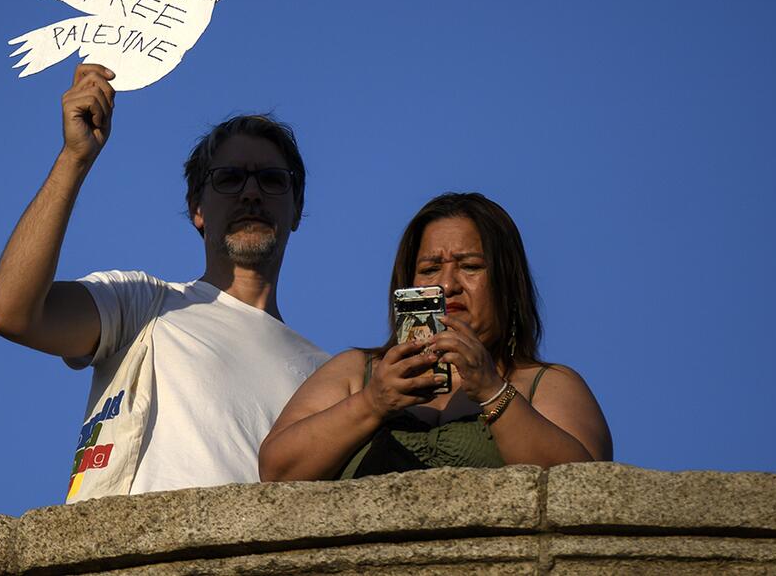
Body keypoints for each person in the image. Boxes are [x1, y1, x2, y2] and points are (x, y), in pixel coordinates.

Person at [0, 62, 327, 500]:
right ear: (197, 209)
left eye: (271, 179)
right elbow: (10, 313)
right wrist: (75, 158)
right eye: (229, 179)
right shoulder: (143, 306)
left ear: (297, 209)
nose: (251, 193)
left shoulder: (330, 376)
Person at [258, 191, 611, 480]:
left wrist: (492, 391)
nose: (447, 285)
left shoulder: (546, 383)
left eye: (470, 266)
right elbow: (277, 469)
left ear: (507, 282)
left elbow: (583, 487)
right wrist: (373, 402)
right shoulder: (356, 371)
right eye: (429, 269)